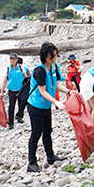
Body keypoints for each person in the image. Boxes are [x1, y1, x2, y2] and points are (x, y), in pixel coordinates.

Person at [26, 42, 77, 172]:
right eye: (53, 55)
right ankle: (31, 162)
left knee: (47, 131)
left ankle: (50, 156)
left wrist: (69, 91)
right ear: (45, 57)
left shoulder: (54, 67)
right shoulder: (39, 71)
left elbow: (57, 85)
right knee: (36, 133)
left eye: (55, 55)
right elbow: (42, 91)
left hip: (46, 106)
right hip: (36, 106)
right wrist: (55, 101)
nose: (55, 57)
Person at [0, 53, 29, 129]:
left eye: (13, 59)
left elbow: (26, 77)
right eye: (10, 59)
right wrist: (1, 91)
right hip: (11, 90)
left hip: (21, 90)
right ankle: (11, 123)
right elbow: (4, 80)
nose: (12, 60)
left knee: (22, 104)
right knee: (11, 107)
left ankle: (19, 116)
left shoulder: (21, 67)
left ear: (16, 60)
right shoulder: (7, 68)